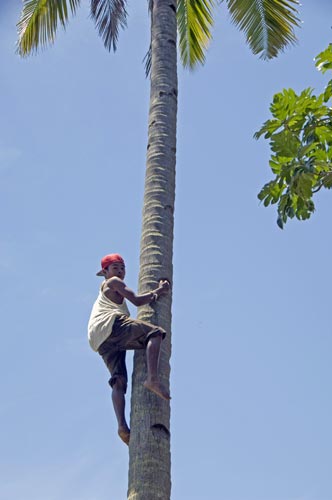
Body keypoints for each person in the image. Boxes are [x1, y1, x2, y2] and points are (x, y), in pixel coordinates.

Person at [88, 253, 170, 445]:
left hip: (99, 339)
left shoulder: (106, 293)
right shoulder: (114, 282)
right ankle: (152, 379)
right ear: (105, 272)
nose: (120, 271)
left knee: (118, 381)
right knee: (155, 333)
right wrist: (160, 291)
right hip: (111, 325)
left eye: (123, 268)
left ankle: (122, 426)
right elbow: (138, 300)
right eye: (115, 267)